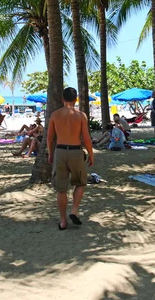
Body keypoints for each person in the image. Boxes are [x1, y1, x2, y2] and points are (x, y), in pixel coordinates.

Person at [47, 87, 93, 231]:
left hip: (60, 151)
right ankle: (73, 210)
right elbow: (86, 138)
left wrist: (50, 153)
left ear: (62, 99)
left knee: (61, 190)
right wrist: (91, 154)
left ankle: (63, 221)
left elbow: (49, 138)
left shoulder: (55, 115)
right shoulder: (80, 116)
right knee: (80, 182)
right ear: (76, 99)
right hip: (75, 151)